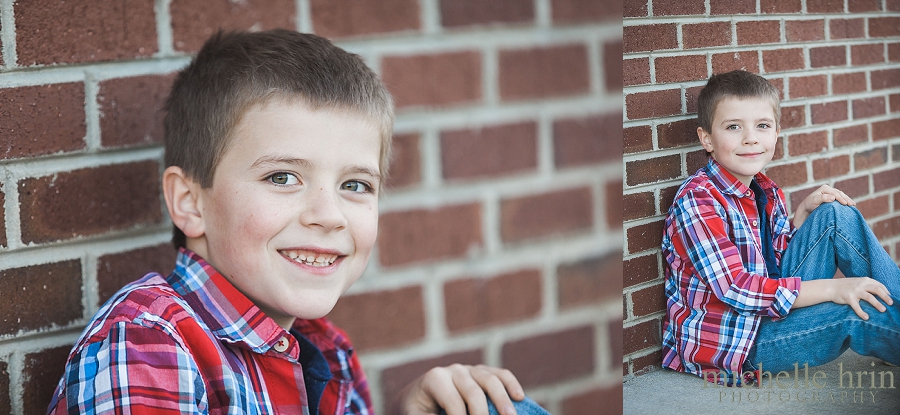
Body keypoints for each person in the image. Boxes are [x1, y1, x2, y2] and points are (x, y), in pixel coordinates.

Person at [47, 30, 549, 415]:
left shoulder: (328, 350)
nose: (329, 216)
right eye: (283, 177)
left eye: (355, 185)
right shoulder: (147, 343)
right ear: (190, 203)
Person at [661, 69, 900, 386]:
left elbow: (772, 264)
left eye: (762, 125)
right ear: (707, 138)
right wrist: (835, 289)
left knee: (834, 214)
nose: (751, 138)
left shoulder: (766, 190)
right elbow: (737, 288)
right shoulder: (697, 202)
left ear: (776, 134)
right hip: (740, 343)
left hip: (767, 313)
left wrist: (800, 216)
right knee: (853, 312)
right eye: (734, 127)